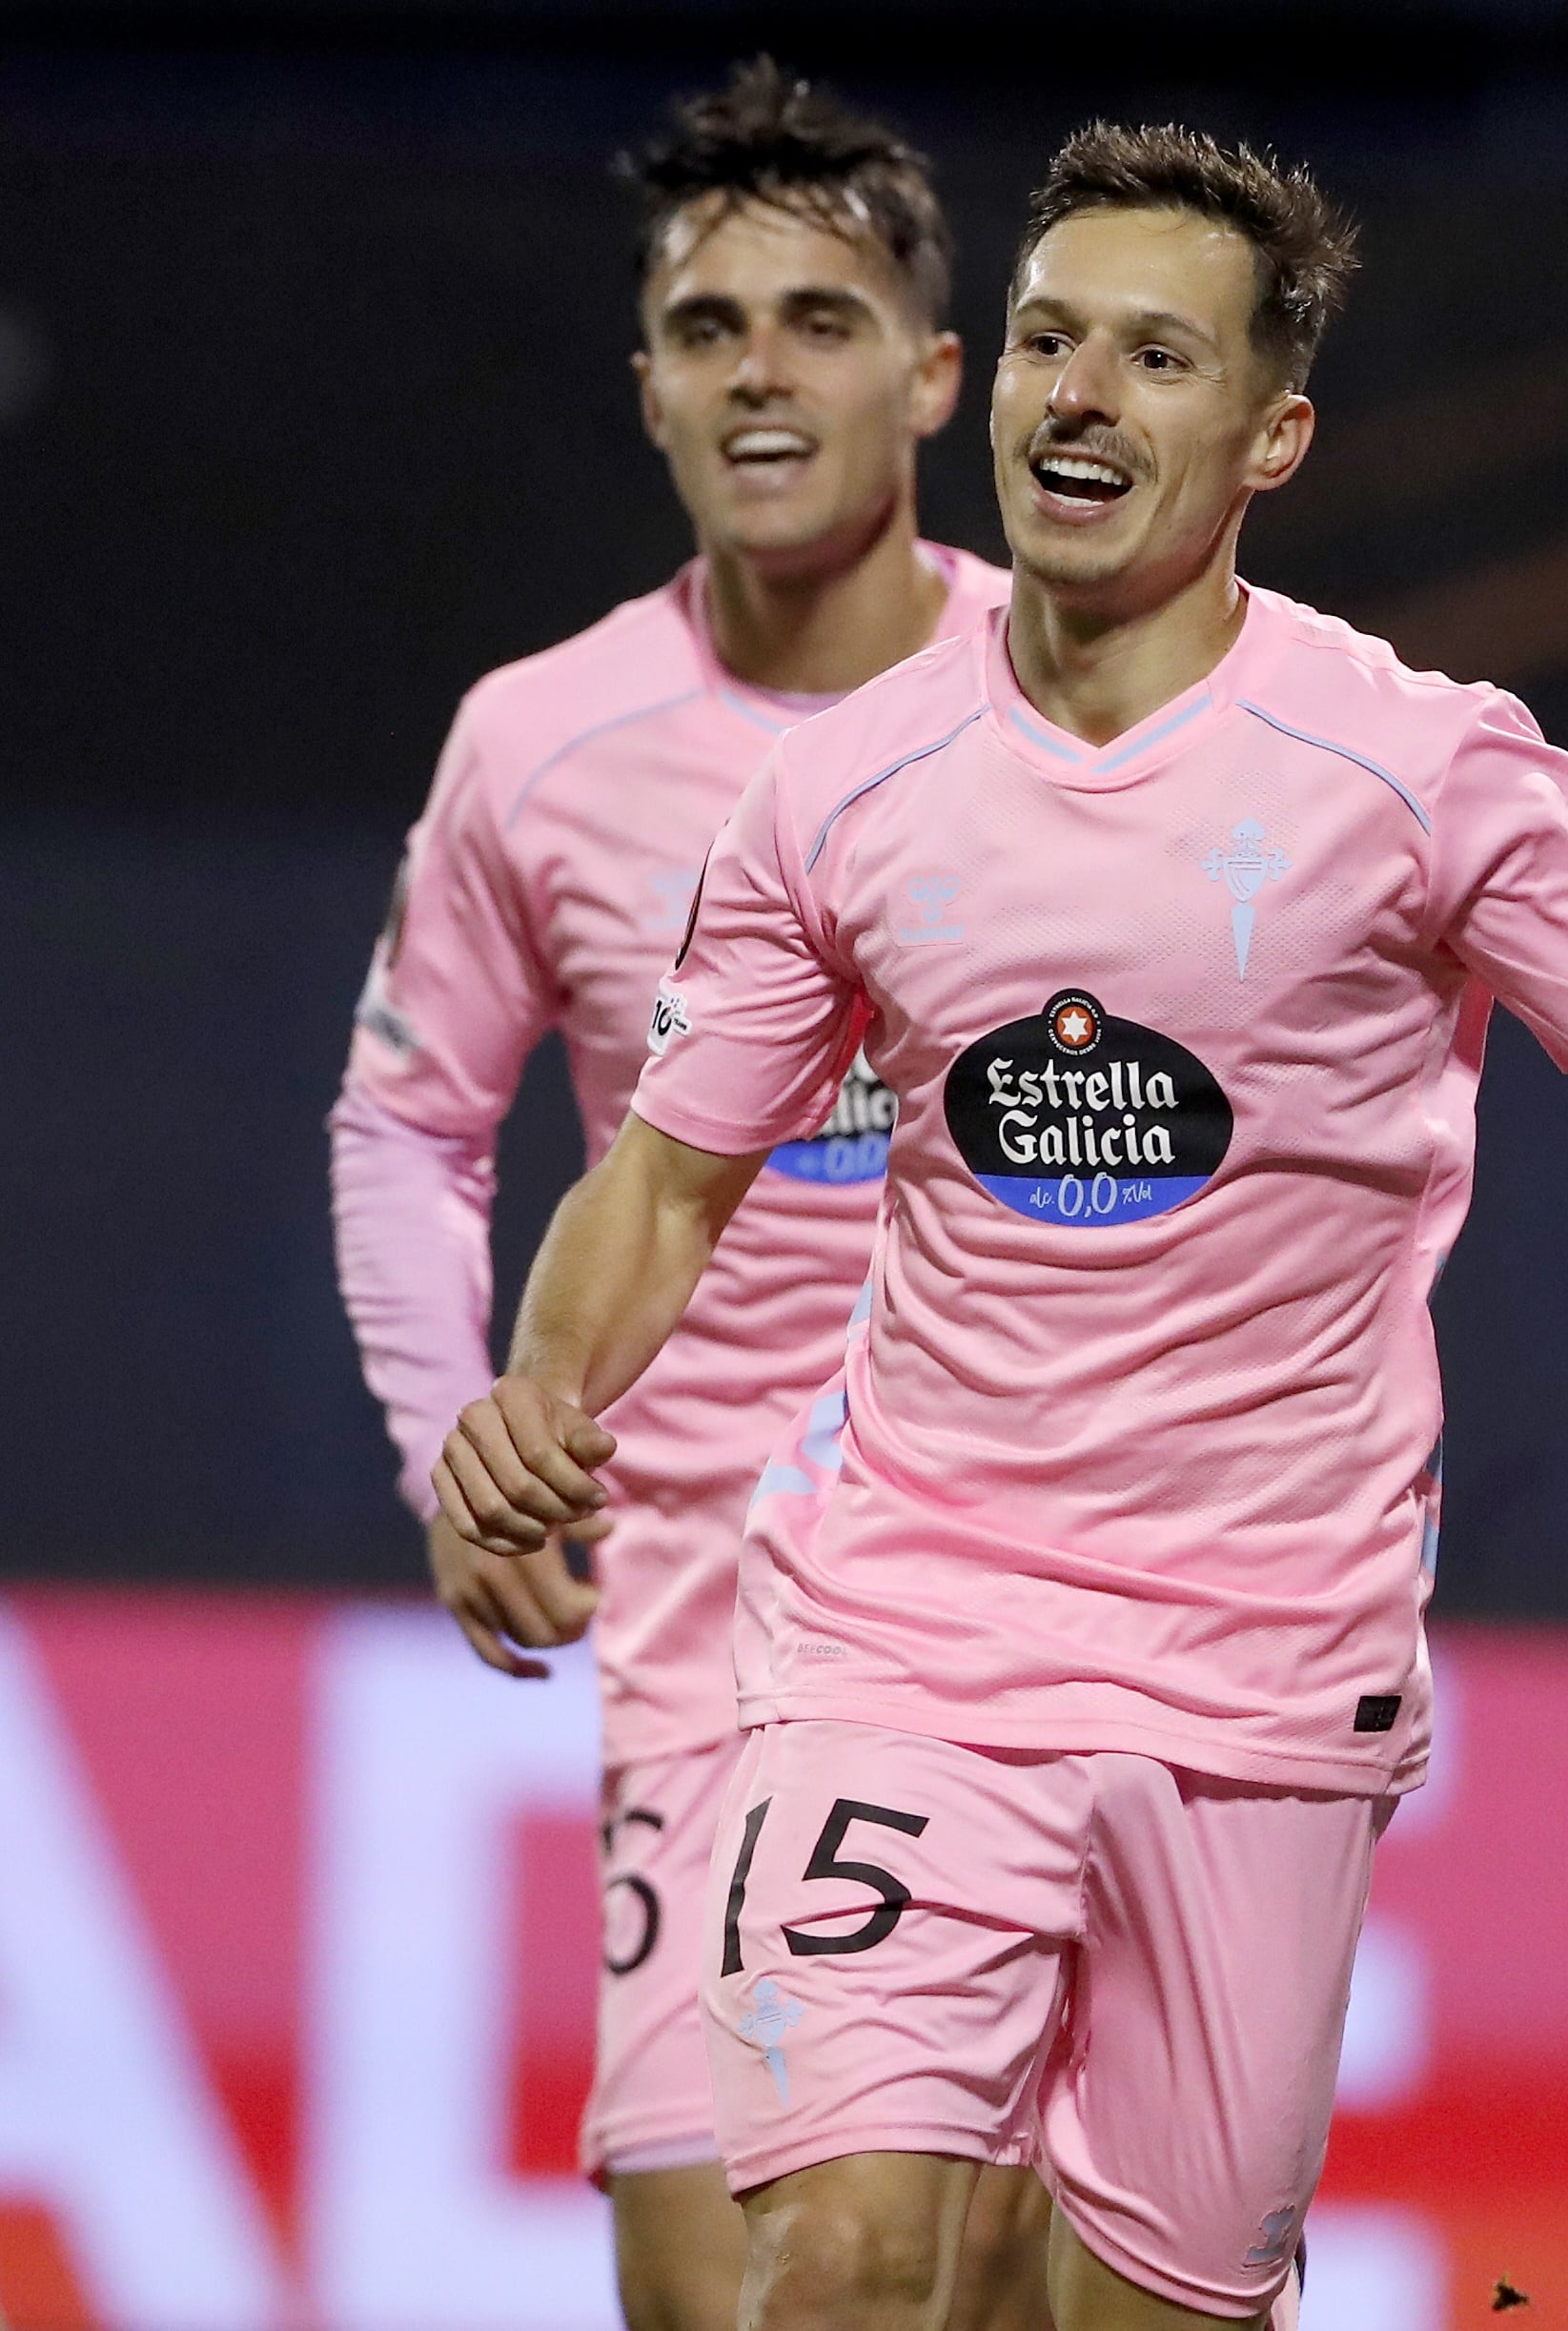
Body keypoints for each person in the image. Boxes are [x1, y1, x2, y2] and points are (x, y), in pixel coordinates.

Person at [434, 121, 1568, 2331]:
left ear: (1273, 431)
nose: (1077, 398)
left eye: (1152, 356)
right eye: (1048, 341)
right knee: (837, 2255)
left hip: (1262, 1664)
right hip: (906, 1631)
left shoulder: (1430, 769)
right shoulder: (841, 787)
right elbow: (666, 1170)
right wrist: (543, 1390)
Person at [326, 59, 1052, 2331]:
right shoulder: (537, 742)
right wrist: (460, 1427)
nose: (761, 368)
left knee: (995, 2284)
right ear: (645, 384)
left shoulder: (1089, 690)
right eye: (708, 323)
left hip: (1059, 1611)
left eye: (819, 318)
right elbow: (409, 1120)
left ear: (934, 372)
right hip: (710, 1647)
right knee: (738, 2285)